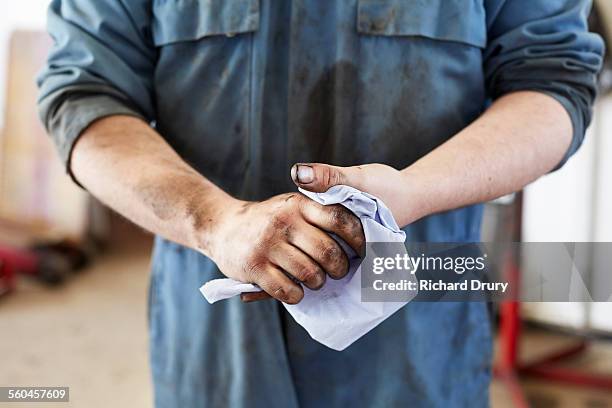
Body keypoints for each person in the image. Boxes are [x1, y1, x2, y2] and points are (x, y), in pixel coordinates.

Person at [37, 0, 603, 406]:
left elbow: (551, 80)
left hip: (420, 337)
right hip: (213, 345)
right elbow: (85, 96)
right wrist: (213, 222)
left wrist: (414, 191)